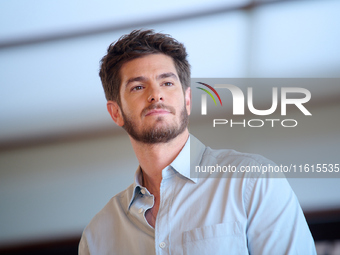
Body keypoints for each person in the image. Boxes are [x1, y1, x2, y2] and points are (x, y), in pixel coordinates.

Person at [79, 29, 316, 254]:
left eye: (167, 83)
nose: (155, 94)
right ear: (115, 112)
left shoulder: (253, 181)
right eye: (138, 87)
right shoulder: (97, 237)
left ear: (188, 100)